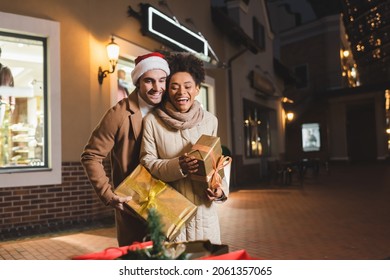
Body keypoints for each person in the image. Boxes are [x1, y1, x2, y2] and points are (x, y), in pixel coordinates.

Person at [80, 52, 170, 246]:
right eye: (149, 81)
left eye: (162, 80)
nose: (157, 88)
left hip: (172, 204)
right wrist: (108, 195)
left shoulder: (170, 108)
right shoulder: (118, 114)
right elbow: (91, 156)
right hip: (134, 207)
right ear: (138, 81)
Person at [140, 52, 228, 244]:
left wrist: (220, 191)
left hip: (205, 216)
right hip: (171, 215)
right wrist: (178, 165)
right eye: (174, 87)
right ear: (167, 90)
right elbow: (147, 163)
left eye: (188, 86)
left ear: (197, 89)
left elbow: (217, 163)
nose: (181, 92)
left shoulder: (210, 121)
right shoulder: (152, 122)